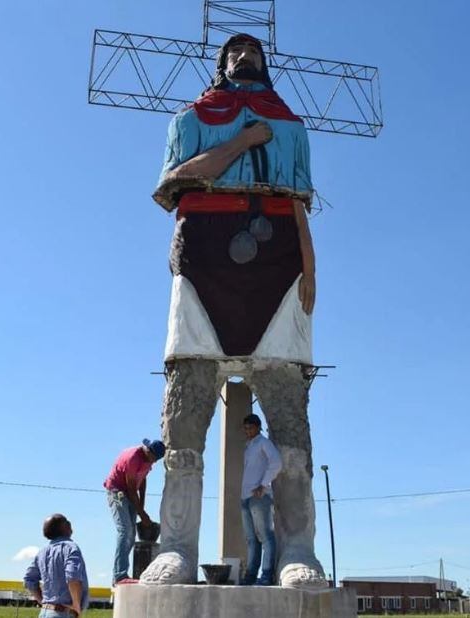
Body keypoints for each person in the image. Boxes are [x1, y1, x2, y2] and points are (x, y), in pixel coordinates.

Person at [140, 33, 325, 588]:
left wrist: (310, 267)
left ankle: (298, 548)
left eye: (254, 50)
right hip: (203, 255)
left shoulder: (291, 129)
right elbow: (173, 183)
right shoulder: (190, 119)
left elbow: (298, 199)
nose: (245, 54)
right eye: (234, 50)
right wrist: (243, 142)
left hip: (278, 258)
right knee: (187, 404)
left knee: (289, 410)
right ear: (220, 64)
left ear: (266, 65)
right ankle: (176, 546)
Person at [104, 438, 165, 584]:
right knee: (125, 531)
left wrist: (142, 506)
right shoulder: (133, 458)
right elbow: (131, 489)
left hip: (130, 492)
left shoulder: (148, 459)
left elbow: (142, 480)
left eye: (156, 460)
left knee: (131, 535)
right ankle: (119, 575)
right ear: (148, 450)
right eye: (153, 458)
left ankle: (123, 574)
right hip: (117, 491)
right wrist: (142, 514)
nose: (154, 462)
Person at [240, 413, 282, 586]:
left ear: (257, 427)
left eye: (250, 427)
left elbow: (277, 462)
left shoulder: (263, 443)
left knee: (265, 536)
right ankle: (251, 575)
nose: (247, 431)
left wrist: (263, 485)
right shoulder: (249, 446)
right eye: (245, 428)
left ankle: (266, 574)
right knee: (251, 539)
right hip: (245, 496)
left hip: (259, 496)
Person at [24, 514, 88, 618]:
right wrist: (76, 605)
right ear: (65, 527)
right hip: (63, 612)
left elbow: (29, 579)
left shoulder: (42, 552)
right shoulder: (71, 547)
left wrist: (43, 602)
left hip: (44, 612)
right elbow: (72, 576)